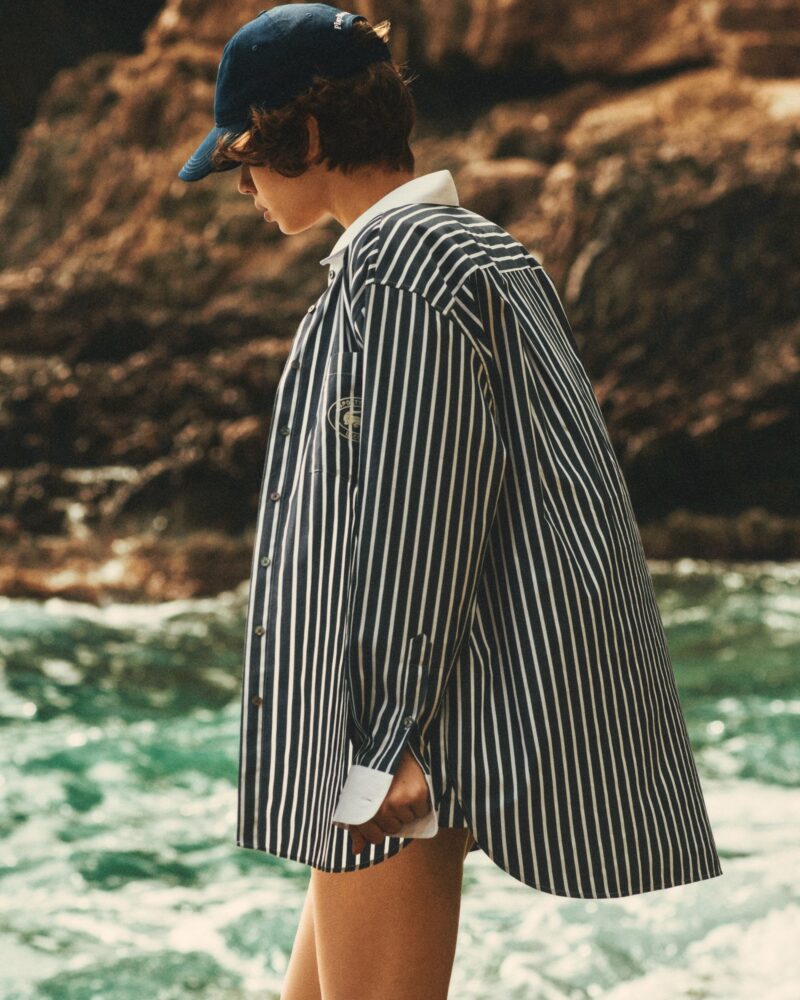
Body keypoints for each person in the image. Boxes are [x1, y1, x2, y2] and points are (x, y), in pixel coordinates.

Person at [177, 5, 723, 999]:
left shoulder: (396, 273)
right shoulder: (478, 250)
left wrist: (388, 741)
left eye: (245, 158)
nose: (243, 186)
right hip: (429, 711)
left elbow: (418, 520)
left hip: (396, 736)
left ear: (308, 135)